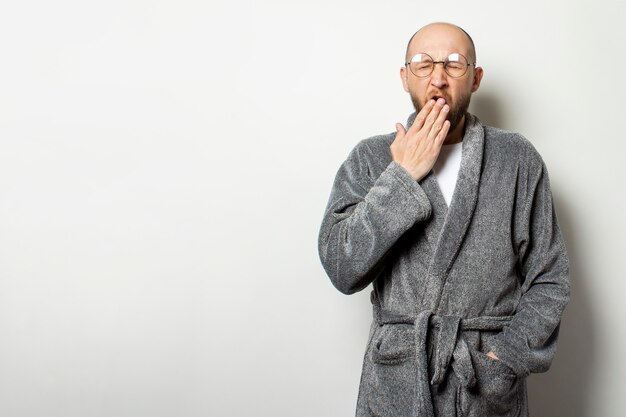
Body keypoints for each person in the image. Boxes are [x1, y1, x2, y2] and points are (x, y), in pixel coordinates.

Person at [317, 22, 570, 417]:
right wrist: (401, 178)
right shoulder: (370, 159)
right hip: (397, 384)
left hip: (483, 387)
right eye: (423, 64)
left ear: (475, 77)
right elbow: (341, 266)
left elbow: (550, 278)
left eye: (454, 64)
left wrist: (503, 360)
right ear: (405, 77)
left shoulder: (517, 160)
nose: (438, 78)